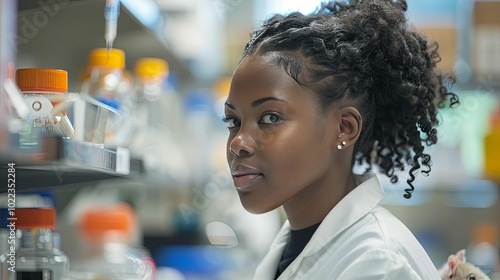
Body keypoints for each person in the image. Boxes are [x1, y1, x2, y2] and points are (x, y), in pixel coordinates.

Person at [223, 0, 459, 279]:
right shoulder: (295, 243)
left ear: (344, 128)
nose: (238, 142)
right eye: (233, 121)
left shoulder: (377, 263)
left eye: (271, 118)